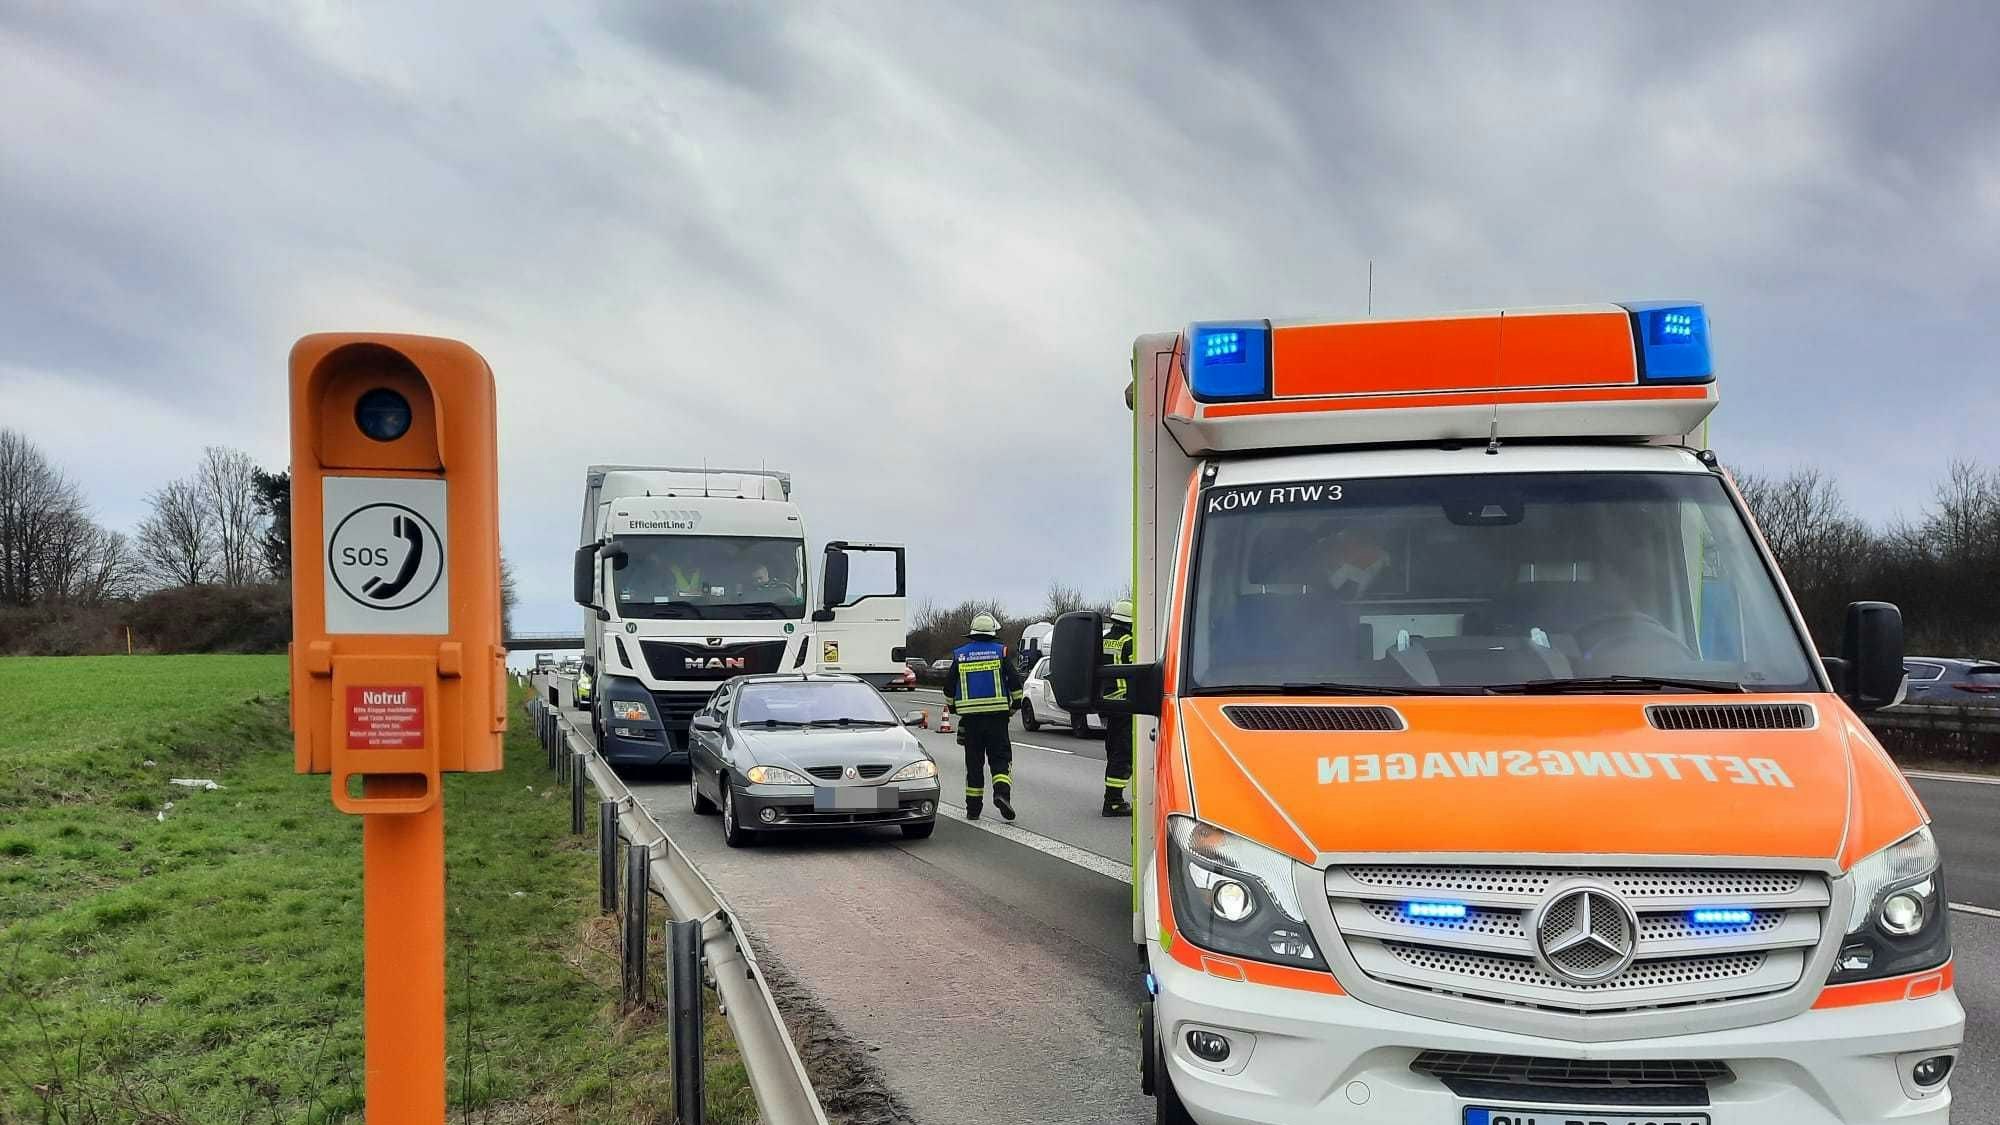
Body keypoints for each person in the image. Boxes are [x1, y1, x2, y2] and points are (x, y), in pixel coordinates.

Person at [946, 613, 1023, 820]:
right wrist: (1015, 706)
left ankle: (973, 810)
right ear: (992, 633)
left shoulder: (960, 655)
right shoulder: (1001, 652)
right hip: (997, 718)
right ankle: (1001, 794)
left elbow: (948, 687)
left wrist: (952, 708)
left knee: (974, 764)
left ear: (972, 634)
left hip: (970, 721)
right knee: (1000, 759)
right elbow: (1015, 683)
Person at [1100, 600, 1135, 817]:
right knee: (1123, 752)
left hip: (1106, 702)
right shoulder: (1128, 642)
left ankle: (1111, 797)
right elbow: (1135, 672)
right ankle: (1113, 801)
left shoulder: (1103, 641)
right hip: (1124, 702)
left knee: (1113, 750)